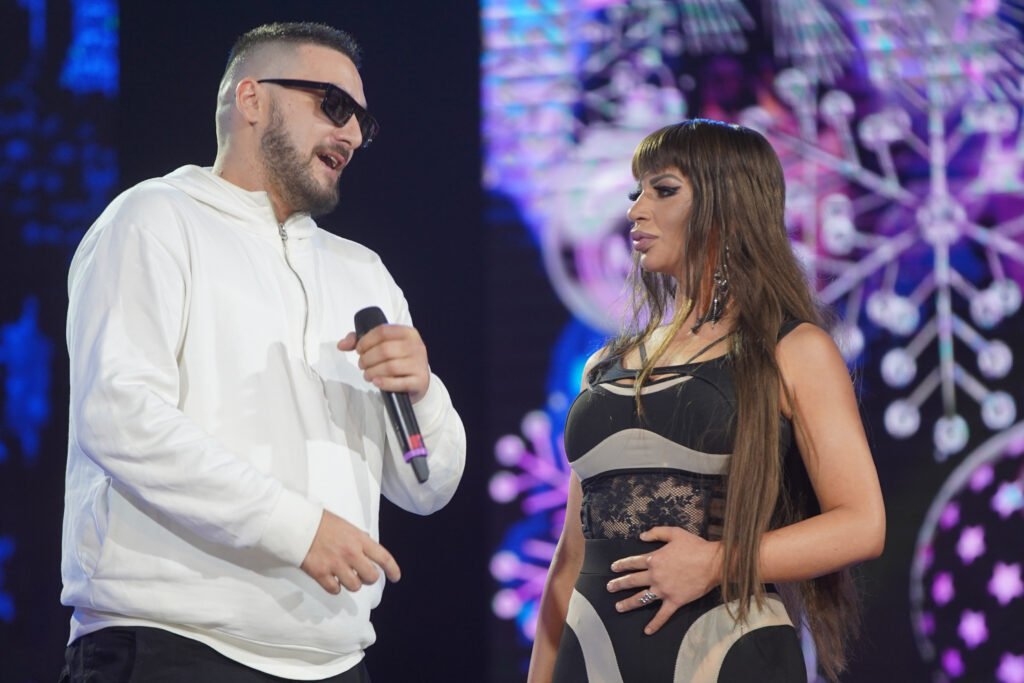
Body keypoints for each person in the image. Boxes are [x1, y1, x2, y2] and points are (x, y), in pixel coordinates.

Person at [59, 22, 466, 682]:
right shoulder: (154, 219)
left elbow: (427, 486)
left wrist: (425, 393)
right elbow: (119, 416)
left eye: (362, 121)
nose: (351, 134)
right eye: (333, 105)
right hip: (172, 645)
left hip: (335, 660)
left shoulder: (363, 273)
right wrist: (297, 529)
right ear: (251, 98)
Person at [528, 119, 885, 683]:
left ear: (728, 207)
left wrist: (719, 562)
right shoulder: (604, 367)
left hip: (726, 654)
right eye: (636, 192)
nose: (635, 210)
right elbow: (571, 556)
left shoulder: (792, 350)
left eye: (663, 190)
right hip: (590, 659)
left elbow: (861, 523)